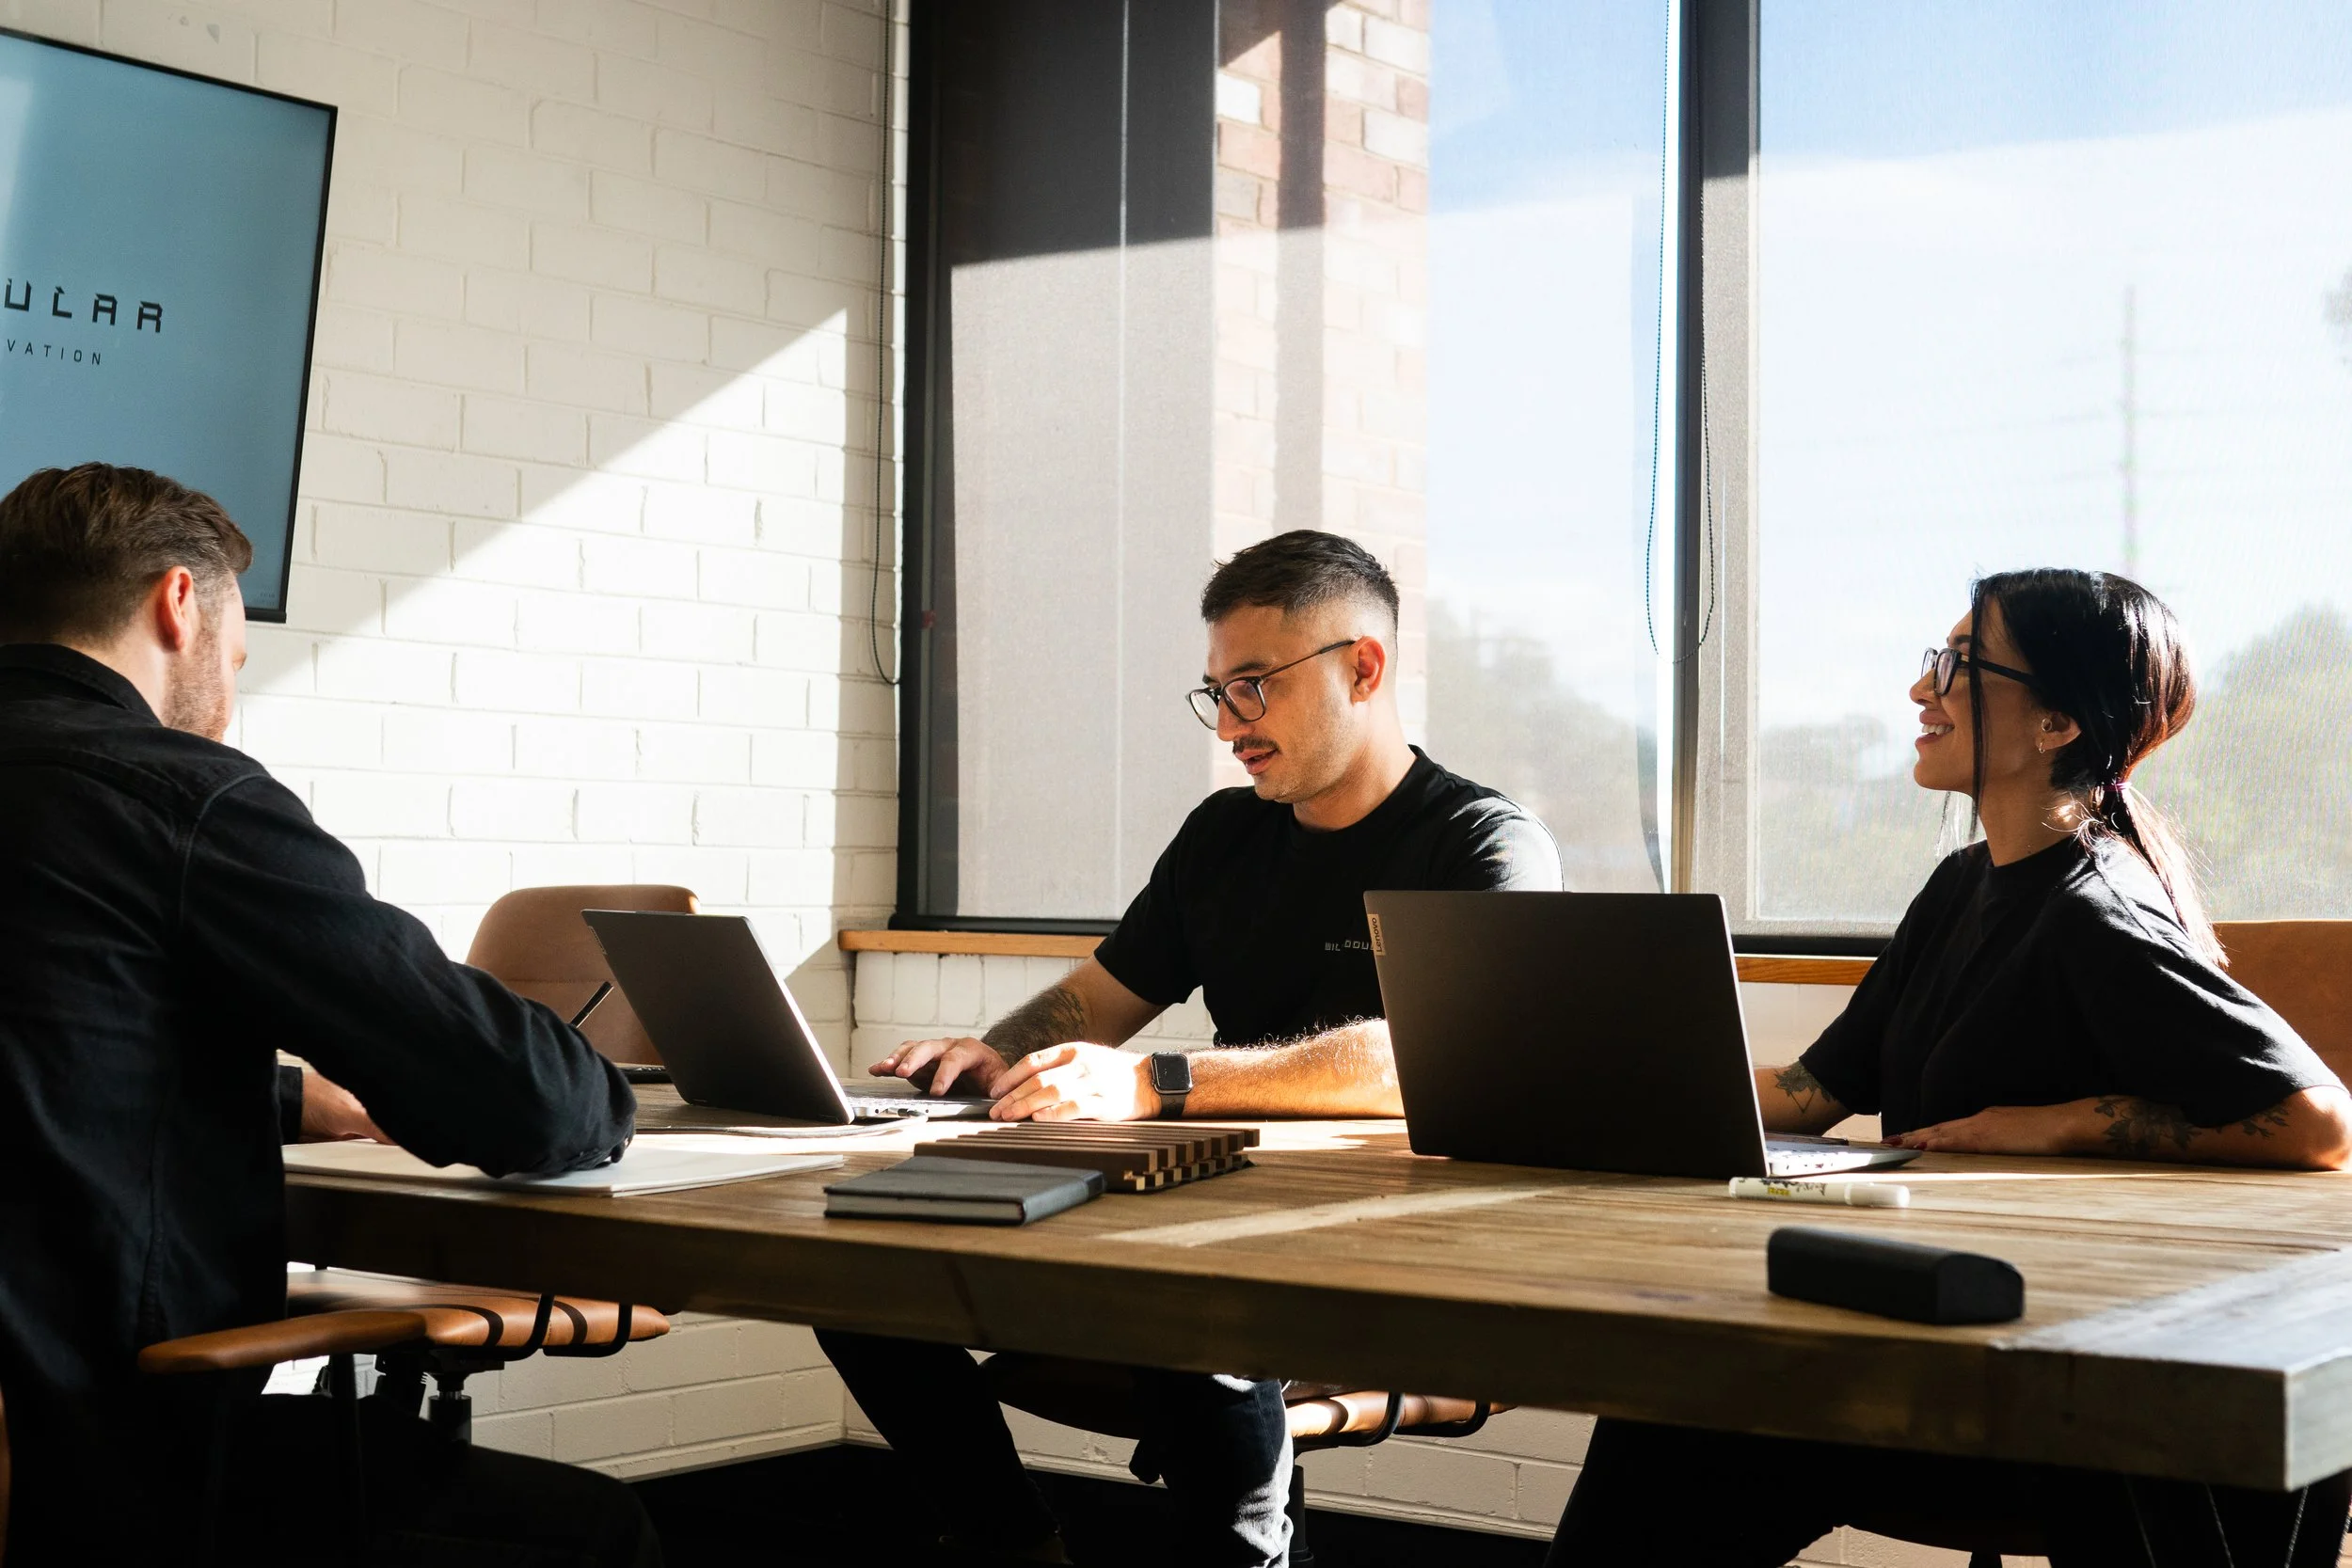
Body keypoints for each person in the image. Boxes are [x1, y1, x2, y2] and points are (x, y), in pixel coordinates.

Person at [1547, 568, 2352, 1567]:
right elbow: (1814, 1092)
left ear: (2056, 721)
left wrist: (2063, 1122)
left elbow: (2319, 1120)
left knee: (1676, 1424)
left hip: (2048, 1403)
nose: (1922, 689)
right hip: (1936, 1347)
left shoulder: (2094, 914)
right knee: (1665, 1409)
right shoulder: (1961, 884)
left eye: (1958, 664)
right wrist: (1596, 1076)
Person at [823, 531, 1562, 1567]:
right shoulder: (1224, 833)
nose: (1227, 725)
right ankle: (1013, 1543)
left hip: (1389, 1244)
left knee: (1190, 1302)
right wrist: (995, 1057)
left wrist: (1154, 1078)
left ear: (1364, 666)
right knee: (850, 1273)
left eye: (1252, 686)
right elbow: (1096, 997)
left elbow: (1435, 1058)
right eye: (1214, 691)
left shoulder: (1483, 844)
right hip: (1201, 1207)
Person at [0, 465, 660, 1566]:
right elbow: (529, 1101)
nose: (229, 692)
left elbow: (47, 1044)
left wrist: (289, 1096)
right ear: (178, 603)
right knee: (596, 1534)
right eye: (238, 655)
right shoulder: (176, 795)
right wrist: (603, 1092)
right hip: (105, 1457)